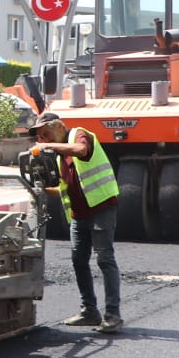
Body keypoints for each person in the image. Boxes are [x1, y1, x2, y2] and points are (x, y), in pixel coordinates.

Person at [29, 111, 123, 333]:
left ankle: (113, 315)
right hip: (79, 215)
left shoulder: (79, 136)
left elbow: (82, 151)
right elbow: (64, 189)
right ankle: (89, 311)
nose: (43, 141)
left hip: (101, 207)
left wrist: (49, 147)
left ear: (58, 127)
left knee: (105, 259)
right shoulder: (62, 157)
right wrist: (39, 190)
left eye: (46, 134)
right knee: (79, 261)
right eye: (40, 138)